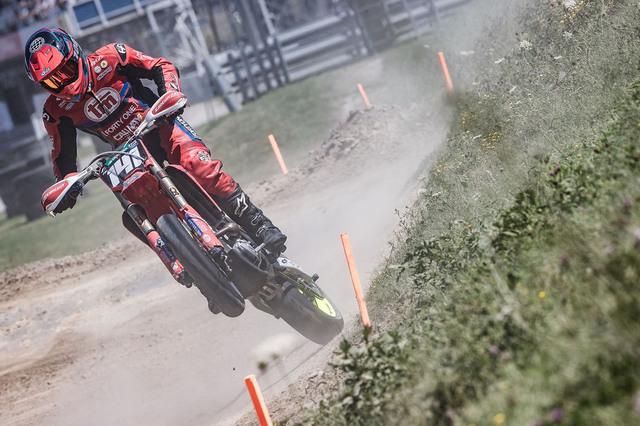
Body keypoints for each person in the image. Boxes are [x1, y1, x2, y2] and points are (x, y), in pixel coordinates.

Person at [24, 28, 287, 284]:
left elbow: (160, 65)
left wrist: (169, 92)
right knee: (139, 203)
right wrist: (68, 185)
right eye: (52, 81)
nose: (63, 83)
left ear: (76, 54)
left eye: (66, 71)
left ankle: (260, 224)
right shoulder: (54, 112)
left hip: (160, 122)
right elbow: (62, 158)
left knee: (197, 165)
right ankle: (196, 271)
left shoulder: (112, 56)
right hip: (125, 152)